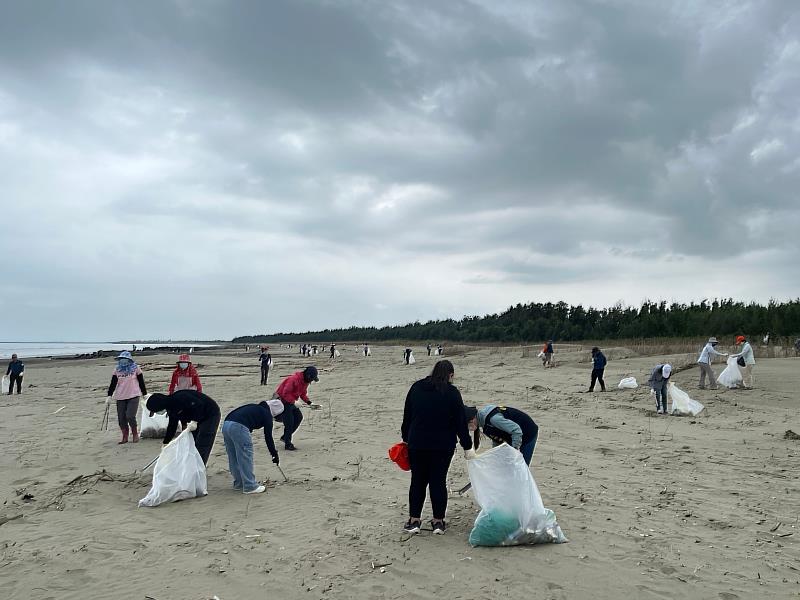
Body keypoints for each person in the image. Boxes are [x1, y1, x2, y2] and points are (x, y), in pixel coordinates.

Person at [400, 360, 473, 535]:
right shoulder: (452, 392)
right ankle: (438, 522)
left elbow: (407, 416)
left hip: (417, 443)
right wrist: (467, 446)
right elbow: (460, 422)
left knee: (418, 481)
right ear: (451, 375)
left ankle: (414, 520)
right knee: (438, 481)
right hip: (443, 446)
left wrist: (405, 438)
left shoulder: (416, 388)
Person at [146, 390, 221, 465]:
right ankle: (192, 465)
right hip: (196, 418)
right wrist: (166, 443)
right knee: (193, 442)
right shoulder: (171, 408)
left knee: (203, 441)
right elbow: (172, 426)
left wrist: (194, 421)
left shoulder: (180, 398)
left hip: (210, 414)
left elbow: (199, 405)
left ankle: (199, 468)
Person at [222, 401, 280, 495]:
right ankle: (250, 486)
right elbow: (268, 437)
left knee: (233, 456)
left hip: (226, 424)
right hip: (239, 427)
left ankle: (239, 483)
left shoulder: (255, 407)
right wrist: (274, 454)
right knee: (245, 456)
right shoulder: (267, 414)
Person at [464, 404, 538, 465]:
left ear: (472, 420)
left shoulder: (493, 419)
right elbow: (497, 438)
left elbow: (516, 431)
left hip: (528, 433)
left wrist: (515, 451)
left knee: (521, 468)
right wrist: (496, 454)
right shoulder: (484, 424)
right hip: (513, 437)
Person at [272, 366, 318, 450]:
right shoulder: (293, 379)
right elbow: (285, 393)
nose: (311, 381)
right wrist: (294, 402)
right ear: (308, 375)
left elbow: (303, 394)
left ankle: (285, 437)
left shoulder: (305, 382)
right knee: (289, 422)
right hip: (282, 400)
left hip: (291, 401)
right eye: (312, 379)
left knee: (299, 417)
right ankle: (288, 444)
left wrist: (309, 403)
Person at [106, 351, 147, 444]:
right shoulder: (117, 370)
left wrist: (144, 394)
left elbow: (141, 382)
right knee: (121, 418)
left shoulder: (136, 368)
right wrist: (109, 396)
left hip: (134, 395)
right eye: (122, 359)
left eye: (125, 359)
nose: (123, 361)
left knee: (130, 416)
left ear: (129, 360)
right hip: (120, 396)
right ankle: (125, 436)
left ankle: (135, 434)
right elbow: (113, 384)